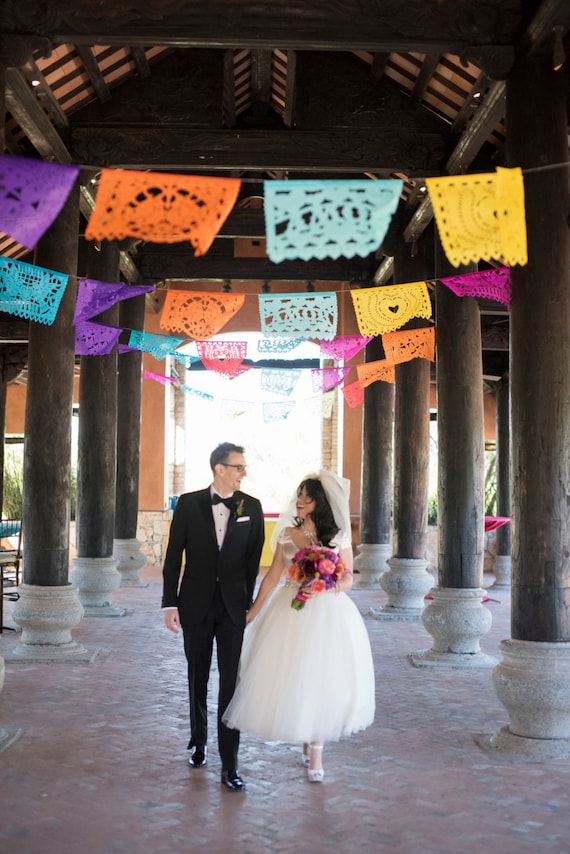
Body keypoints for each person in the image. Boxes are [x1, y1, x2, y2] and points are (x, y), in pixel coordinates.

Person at [223, 470, 375, 783]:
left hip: (328, 613)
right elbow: (273, 576)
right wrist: (252, 612)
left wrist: (324, 586)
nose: (301, 501)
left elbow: (348, 577)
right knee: (297, 676)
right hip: (290, 610)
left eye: (307, 497)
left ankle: (316, 750)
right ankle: (307, 735)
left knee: (321, 678)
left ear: (320, 502)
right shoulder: (287, 535)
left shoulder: (338, 536)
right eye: (300, 495)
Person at [162, 442, 265, 793]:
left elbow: (253, 563)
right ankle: (199, 742)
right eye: (239, 467)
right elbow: (173, 556)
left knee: (230, 685)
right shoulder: (189, 504)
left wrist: (248, 604)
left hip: (234, 608)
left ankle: (230, 763)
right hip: (194, 604)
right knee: (197, 677)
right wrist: (169, 603)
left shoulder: (252, 507)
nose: (243, 472)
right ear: (220, 468)